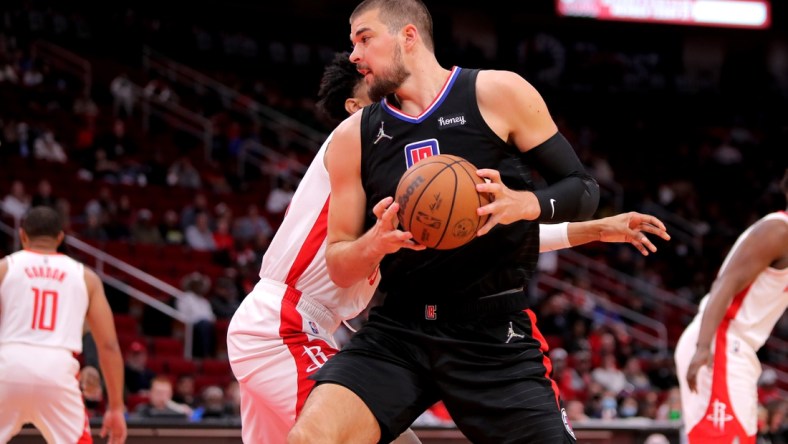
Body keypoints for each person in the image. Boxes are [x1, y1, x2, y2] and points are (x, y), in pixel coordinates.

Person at [229, 51, 667, 443]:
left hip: (310, 322)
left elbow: (474, 228)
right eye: (376, 90)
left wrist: (588, 229)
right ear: (353, 107)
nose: (394, 97)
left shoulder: (390, 172)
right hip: (284, 322)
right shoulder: (355, 145)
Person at [287, 0, 606, 442]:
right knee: (310, 438)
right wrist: (375, 242)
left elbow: (584, 190)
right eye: (352, 43)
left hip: (491, 333)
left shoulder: (496, 92)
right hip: (398, 330)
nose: (354, 55)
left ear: (408, 36)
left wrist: (524, 204)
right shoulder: (352, 136)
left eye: (364, 38)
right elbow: (340, 265)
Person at [675, 169, 788, 443]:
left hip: (736, 347)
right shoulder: (779, 230)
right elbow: (724, 284)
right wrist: (704, 348)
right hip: (720, 341)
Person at [0, 206, 127, 443]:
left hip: (7, 365)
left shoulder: (4, 268)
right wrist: (116, 407)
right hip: (57, 370)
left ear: (22, 235)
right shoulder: (86, 277)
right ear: (60, 237)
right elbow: (108, 345)